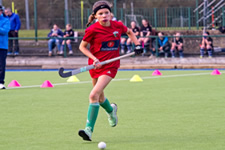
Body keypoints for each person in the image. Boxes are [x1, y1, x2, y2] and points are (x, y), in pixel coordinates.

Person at [78, 0, 143, 141]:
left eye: (106, 12)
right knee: (100, 98)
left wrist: (137, 45)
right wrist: (94, 59)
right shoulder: (92, 30)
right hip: (96, 66)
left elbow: (130, 32)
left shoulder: (117, 25)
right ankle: (111, 110)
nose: (104, 16)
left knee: (93, 95)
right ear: (95, 16)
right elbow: (82, 47)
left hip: (111, 66)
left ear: (111, 13)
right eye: (100, 14)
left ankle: (88, 130)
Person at [0, 5, 10, 89]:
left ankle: (0, 82)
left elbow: (4, 31)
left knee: (1, 65)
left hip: (2, 46)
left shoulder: (6, 21)